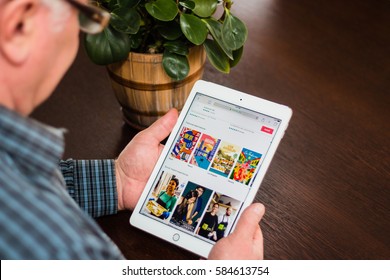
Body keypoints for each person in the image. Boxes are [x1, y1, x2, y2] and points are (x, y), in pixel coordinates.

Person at [0, 0, 265, 259]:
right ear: (19, 25)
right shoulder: (67, 250)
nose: (79, 33)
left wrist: (118, 180)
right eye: (83, 14)